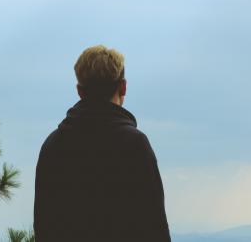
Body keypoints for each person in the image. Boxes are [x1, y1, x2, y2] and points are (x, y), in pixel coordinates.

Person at [34, 45, 171, 241]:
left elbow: (43, 225)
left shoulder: (54, 145)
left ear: (80, 91)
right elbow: (154, 225)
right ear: (123, 87)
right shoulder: (135, 145)